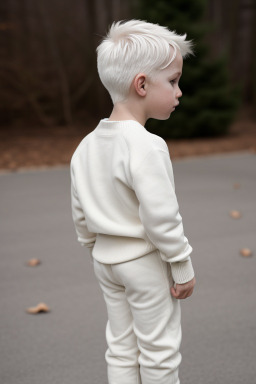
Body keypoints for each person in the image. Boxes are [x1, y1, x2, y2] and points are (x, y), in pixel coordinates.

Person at [70, 19, 196, 384]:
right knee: (159, 350)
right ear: (141, 84)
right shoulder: (147, 145)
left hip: (106, 263)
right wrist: (181, 263)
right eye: (172, 81)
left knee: (122, 347)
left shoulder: (86, 146)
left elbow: (80, 210)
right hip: (143, 264)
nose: (179, 91)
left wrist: (94, 244)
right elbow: (161, 216)